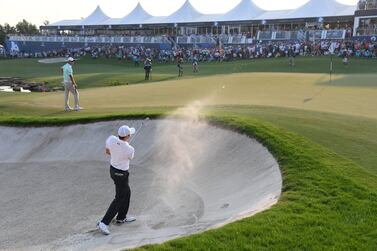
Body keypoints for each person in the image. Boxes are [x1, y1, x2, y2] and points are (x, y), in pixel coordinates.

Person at [97, 125, 137, 235]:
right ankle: (104, 223)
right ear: (127, 136)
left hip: (113, 170)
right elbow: (130, 157)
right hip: (121, 174)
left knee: (127, 192)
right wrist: (124, 147)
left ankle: (121, 217)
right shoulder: (130, 149)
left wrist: (117, 151)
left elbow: (107, 152)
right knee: (119, 197)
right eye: (130, 135)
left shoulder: (111, 139)